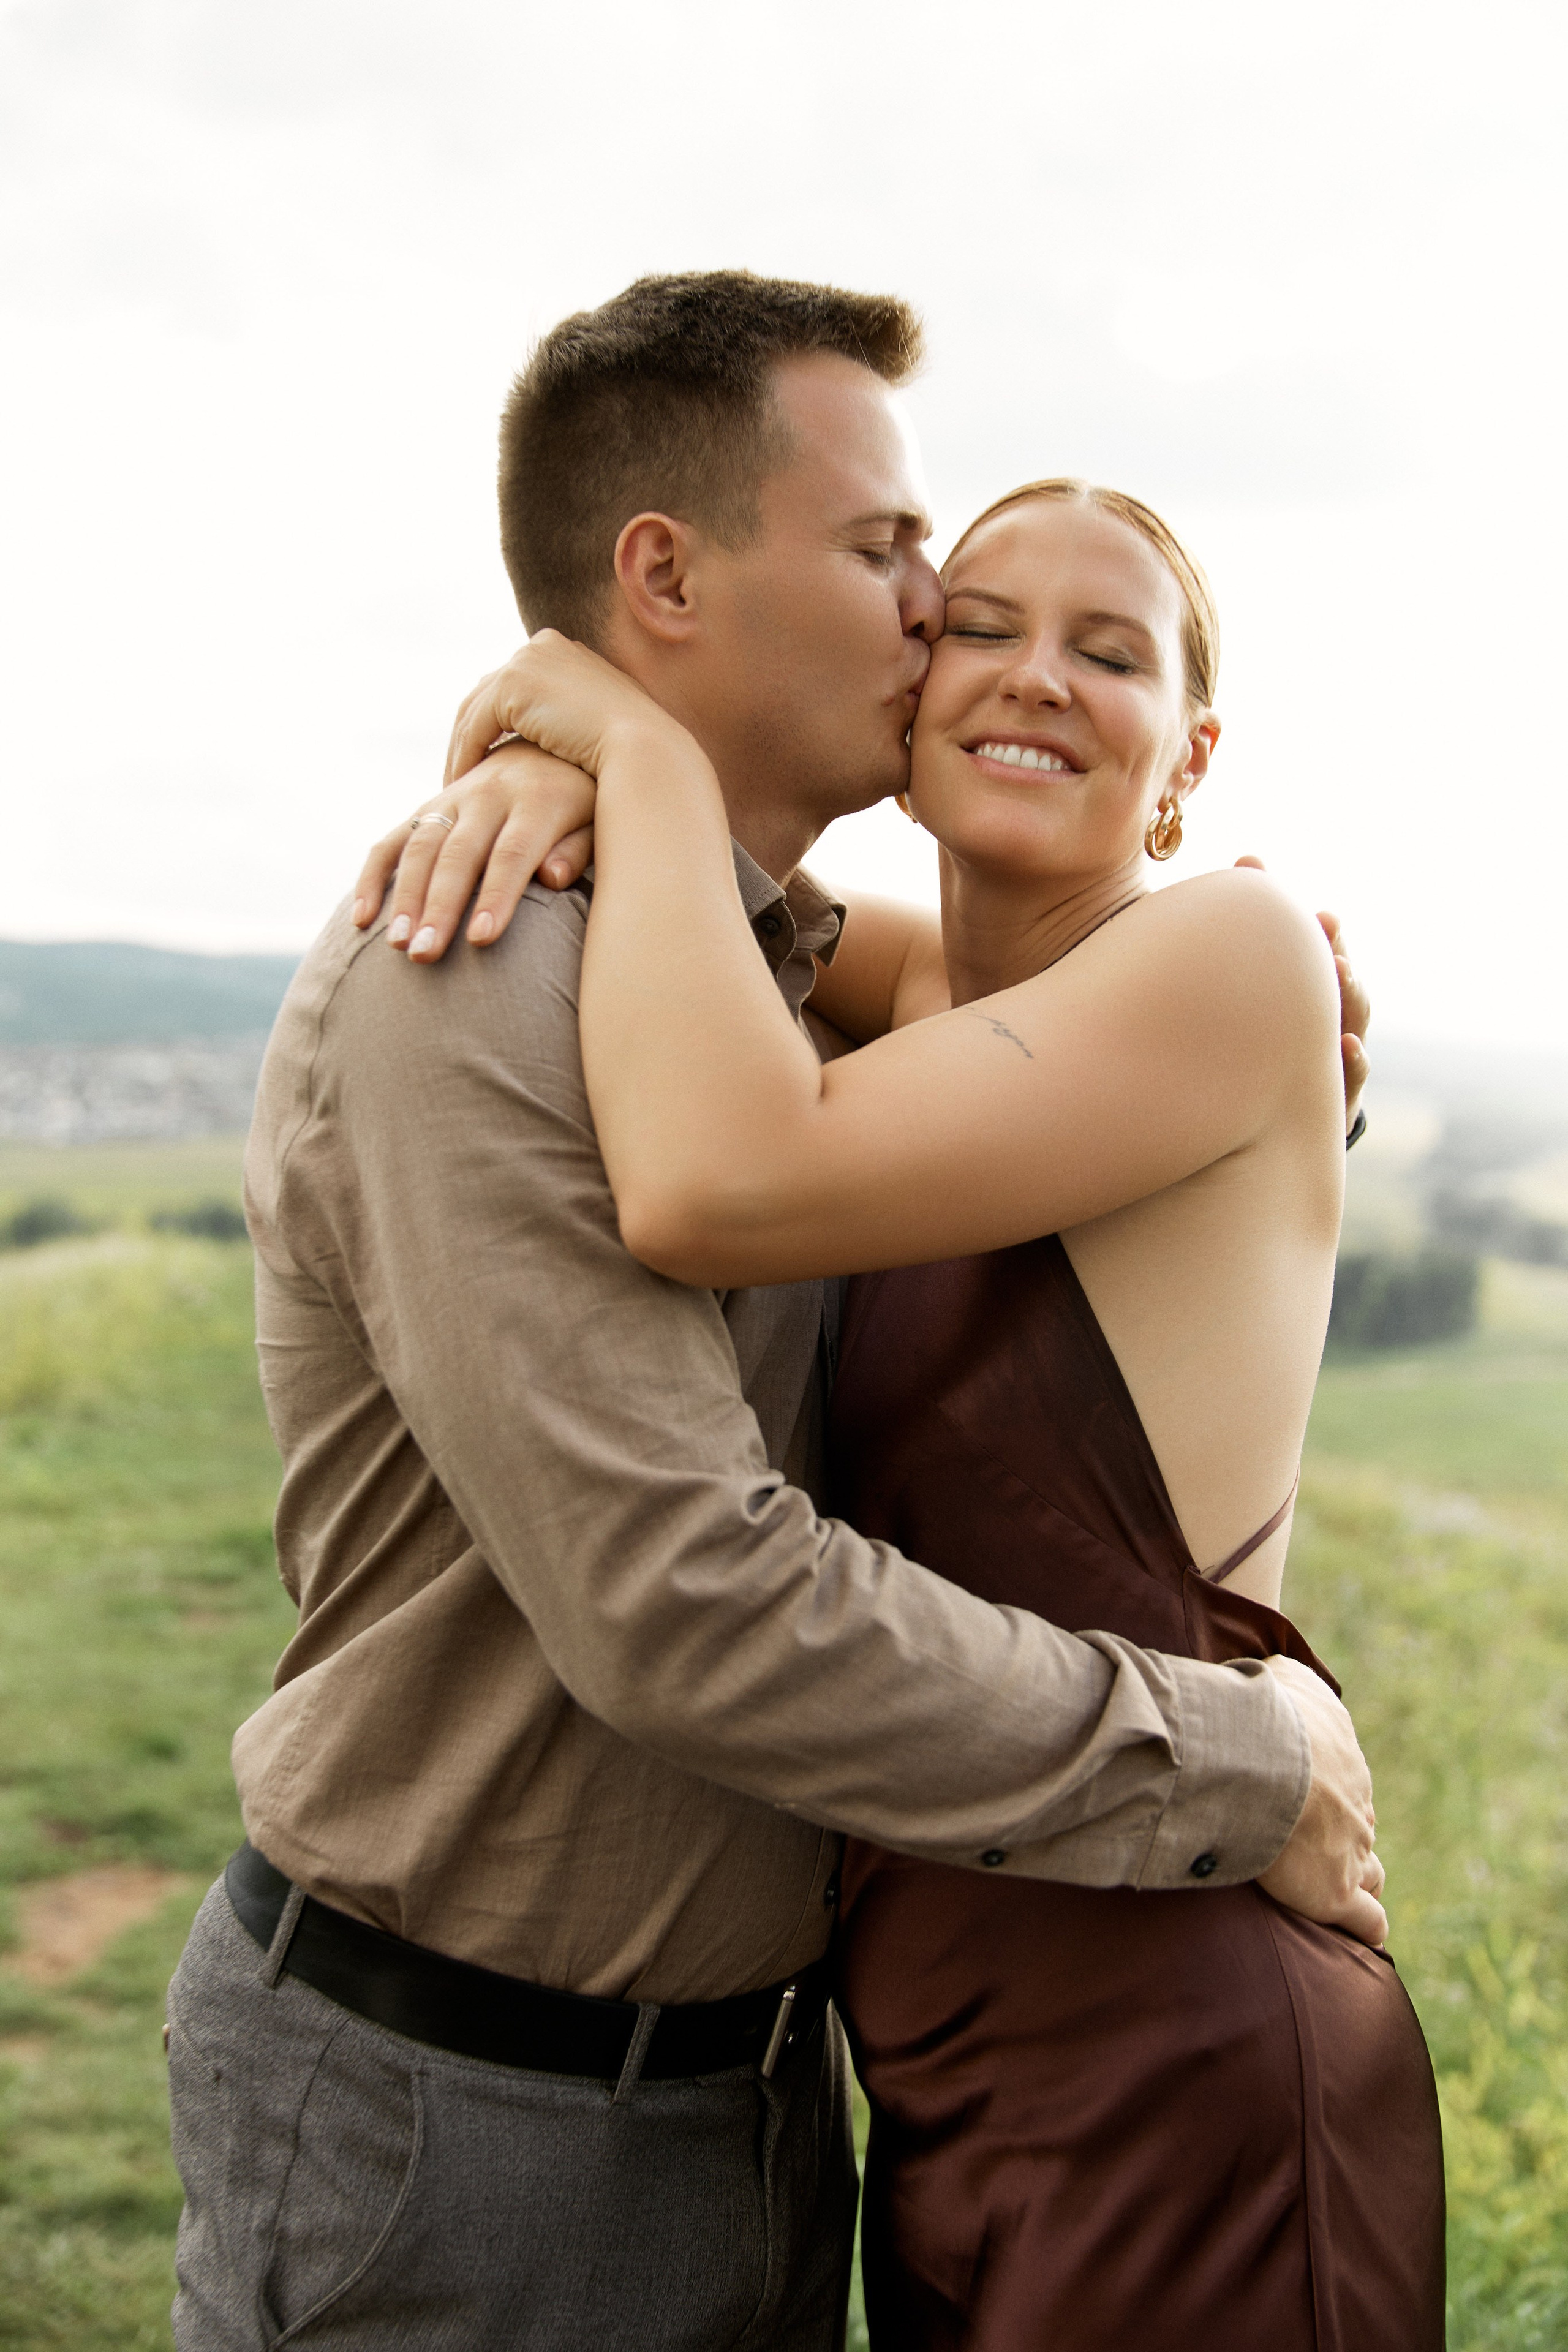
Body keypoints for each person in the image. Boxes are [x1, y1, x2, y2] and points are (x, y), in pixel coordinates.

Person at [168, 274, 1381, 2352]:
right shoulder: (487, 966)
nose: (941, 624)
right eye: (904, 561)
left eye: (1103, 648)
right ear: (664, 574)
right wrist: (1235, 1761)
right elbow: (683, 1591)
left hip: (882, 2074)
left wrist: (613, 752)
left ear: (1192, 749)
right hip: (484, 2116)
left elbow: (838, 1051)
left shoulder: (837, 982)